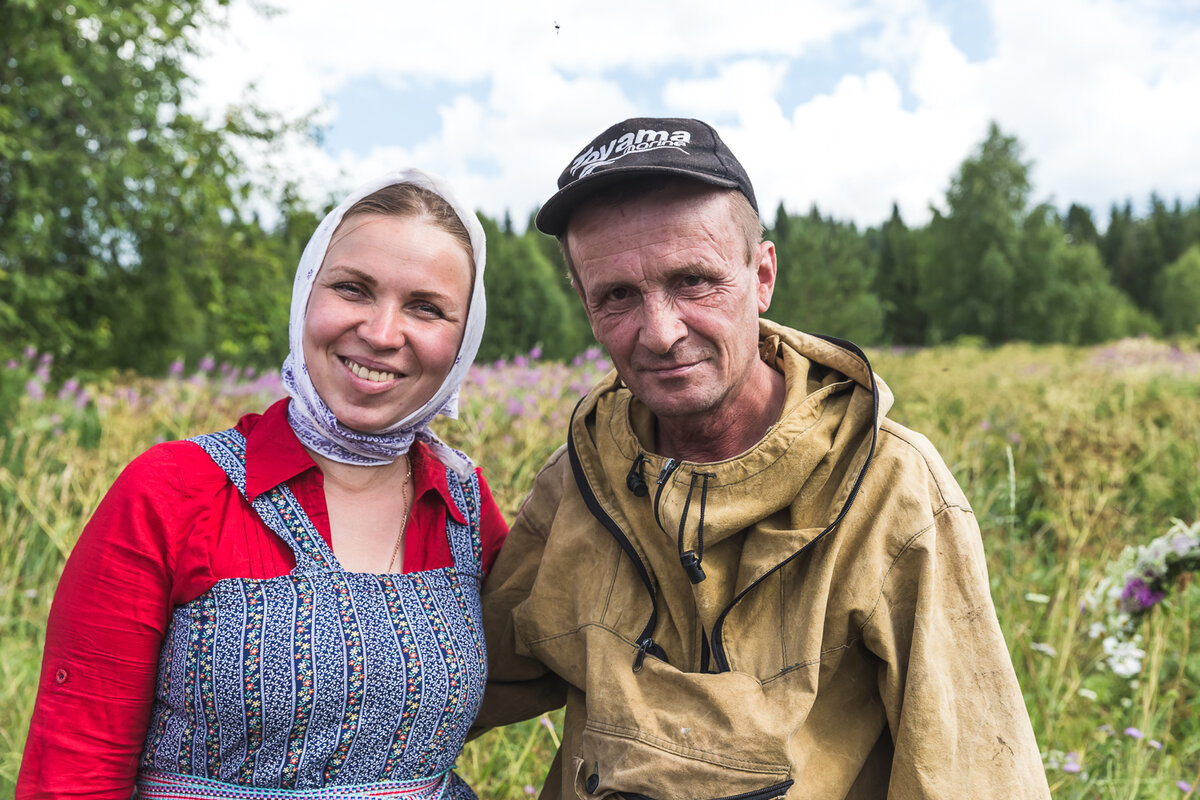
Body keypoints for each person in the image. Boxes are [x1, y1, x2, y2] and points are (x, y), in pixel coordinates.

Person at [476, 118, 1051, 798]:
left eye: (693, 280)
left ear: (763, 275)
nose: (659, 332)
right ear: (585, 302)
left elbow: (972, 773)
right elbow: (459, 684)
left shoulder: (889, 487)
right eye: (617, 296)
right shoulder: (582, 479)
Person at [18, 169, 508, 799]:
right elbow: (76, 760)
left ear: (464, 339)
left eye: (426, 307)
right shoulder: (174, 491)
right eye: (353, 289)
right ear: (306, 294)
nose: (383, 334)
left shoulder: (464, 507)